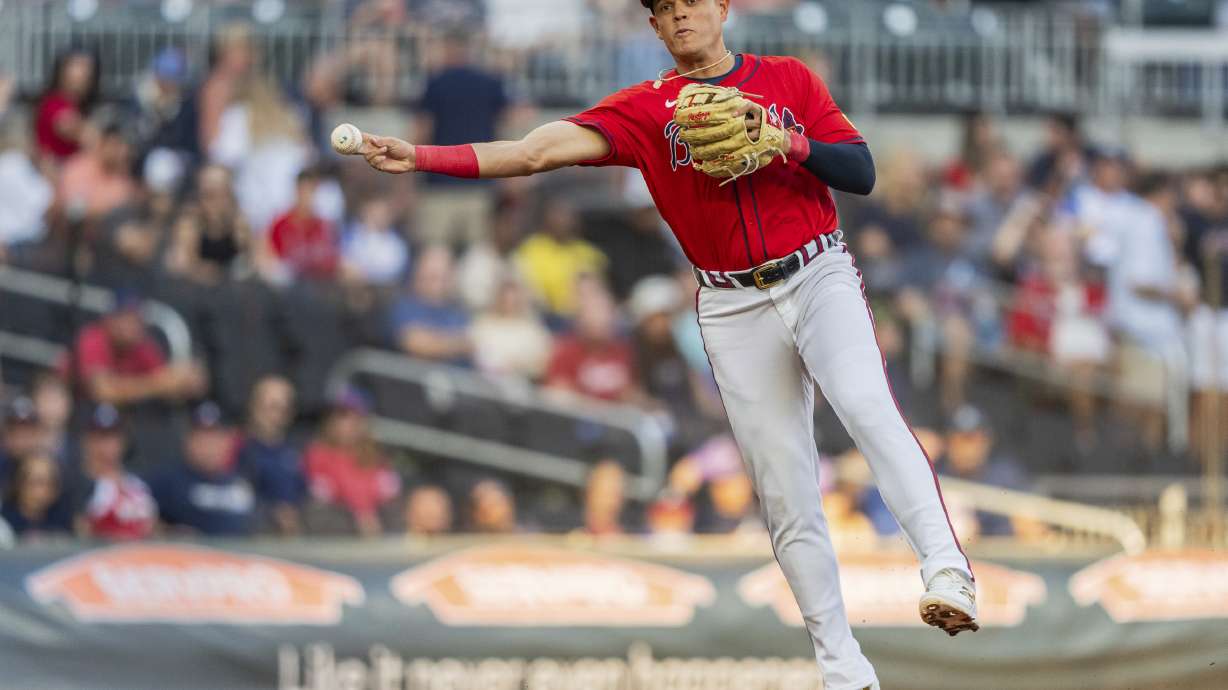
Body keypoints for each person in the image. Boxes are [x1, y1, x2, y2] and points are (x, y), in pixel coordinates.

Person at [354, 1, 977, 684]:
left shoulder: (788, 80)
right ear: (653, 27)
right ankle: (842, 669)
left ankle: (947, 572)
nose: (679, 16)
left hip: (817, 269)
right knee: (782, 487)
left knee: (865, 405)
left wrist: (785, 141)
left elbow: (860, 171)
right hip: (731, 301)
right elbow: (534, 151)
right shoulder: (647, 109)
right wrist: (421, 156)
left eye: (691, 3)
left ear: (722, 8)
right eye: (665, 9)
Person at [413, 29, 511, 245]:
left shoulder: (435, 83)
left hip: (439, 184)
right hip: (479, 180)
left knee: (435, 250)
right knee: (477, 254)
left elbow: (422, 130)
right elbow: (506, 128)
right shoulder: (490, 82)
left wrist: (410, 173)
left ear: (448, 48)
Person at [70, 290, 206, 407]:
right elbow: (102, 392)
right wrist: (159, 385)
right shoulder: (92, 337)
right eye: (124, 318)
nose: (130, 326)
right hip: (79, 412)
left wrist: (186, 382)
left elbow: (167, 382)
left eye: (135, 319)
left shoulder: (141, 345)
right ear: (110, 319)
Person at [148, 401, 255, 536]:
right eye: (202, 436)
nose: (209, 445)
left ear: (228, 441)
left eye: (215, 436)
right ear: (188, 440)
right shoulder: (166, 482)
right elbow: (141, 524)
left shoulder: (242, 482)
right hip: (191, 555)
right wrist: (168, 533)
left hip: (241, 554)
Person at [303, 390, 401, 537]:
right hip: (338, 535)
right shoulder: (317, 455)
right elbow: (323, 498)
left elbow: (389, 495)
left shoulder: (376, 458)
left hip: (378, 532)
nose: (348, 423)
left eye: (354, 416)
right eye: (342, 416)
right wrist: (358, 520)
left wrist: (371, 519)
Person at [234, 375, 304, 536]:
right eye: (269, 407)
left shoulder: (295, 452)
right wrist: (272, 513)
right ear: (253, 407)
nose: (275, 415)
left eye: (282, 408)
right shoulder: (238, 448)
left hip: (296, 532)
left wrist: (295, 513)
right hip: (253, 532)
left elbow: (305, 490)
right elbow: (234, 493)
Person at [75, 404, 158, 541]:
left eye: (113, 436)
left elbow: (152, 526)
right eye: (100, 436)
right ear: (87, 441)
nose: (107, 444)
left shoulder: (138, 484)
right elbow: (78, 532)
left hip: (139, 556)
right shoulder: (77, 484)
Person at [386, 245, 472, 365]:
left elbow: (473, 344)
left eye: (444, 276)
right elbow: (416, 344)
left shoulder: (458, 311)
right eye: (433, 276)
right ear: (418, 273)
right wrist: (457, 345)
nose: (439, 283)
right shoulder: (403, 305)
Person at [259, 167, 339, 284]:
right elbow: (267, 259)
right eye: (304, 191)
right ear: (296, 191)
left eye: (312, 191)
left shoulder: (323, 226)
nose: (308, 197)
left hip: (318, 288)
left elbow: (332, 260)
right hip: (289, 291)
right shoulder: (280, 224)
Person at [34, 48, 99, 164]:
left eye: (88, 68)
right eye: (79, 66)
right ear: (62, 71)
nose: (85, 73)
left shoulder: (76, 106)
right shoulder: (54, 103)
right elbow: (86, 136)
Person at [1, 454, 74, 539]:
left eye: (52, 482)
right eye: (38, 482)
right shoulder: (3, 523)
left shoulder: (64, 521)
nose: (46, 489)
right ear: (18, 483)